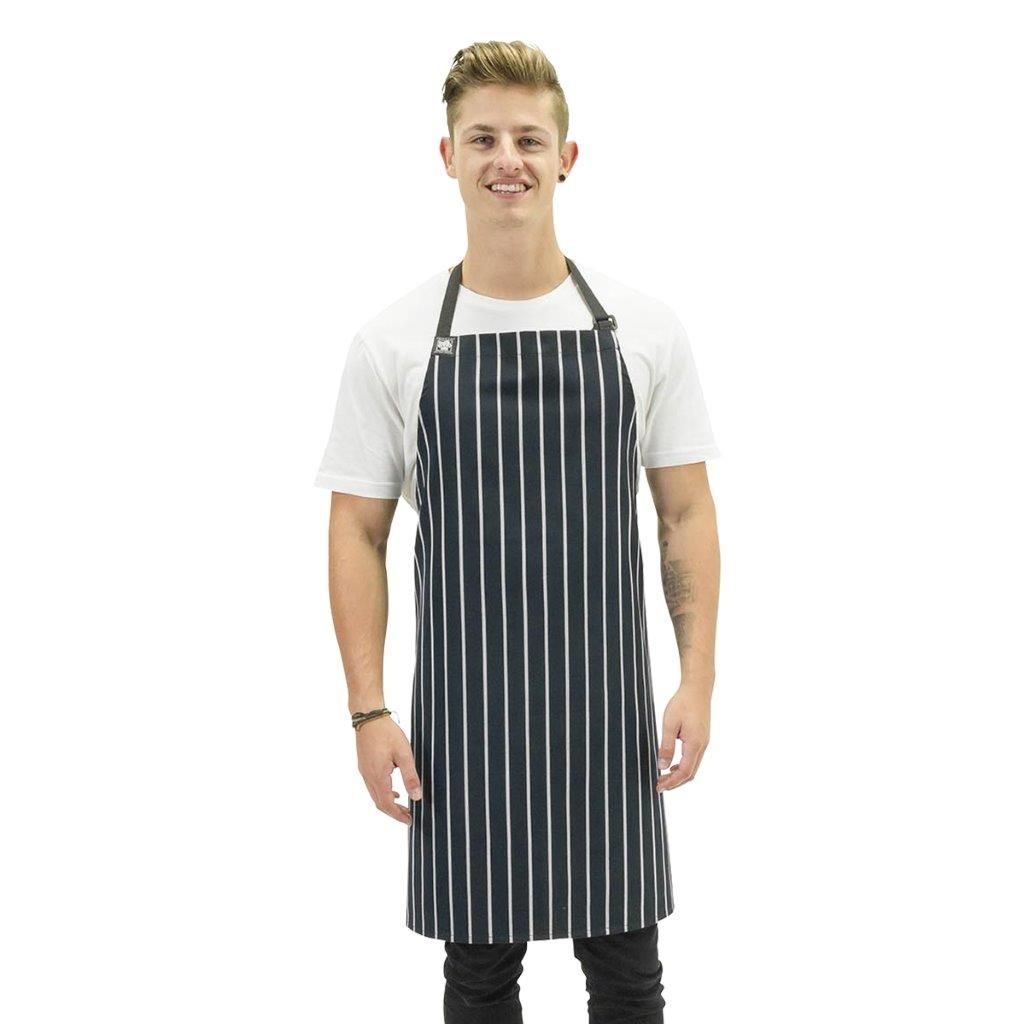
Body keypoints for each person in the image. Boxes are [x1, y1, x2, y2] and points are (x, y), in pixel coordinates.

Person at [314, 39, 721, 1024]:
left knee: (627, 972)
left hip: (608, 714)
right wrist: (369, 712)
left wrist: (696, 681)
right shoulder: (393, 341)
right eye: (484, 137)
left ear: (566, 157)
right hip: (465, 718)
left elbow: (684, 512)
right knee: (479, 976)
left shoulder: (644, 328)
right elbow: (356, 531)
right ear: (447, 155)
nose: (508, 159)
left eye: (529, 139)